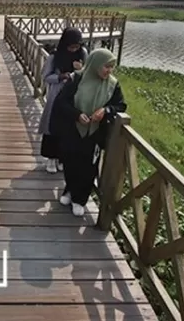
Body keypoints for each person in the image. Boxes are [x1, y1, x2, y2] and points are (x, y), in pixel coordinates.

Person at [51, 48, 127, 217]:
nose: (109, 71)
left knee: (88, 167)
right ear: (95, 65)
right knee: (70, 162)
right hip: (73, 130)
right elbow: (61, 102)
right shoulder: (78, 79)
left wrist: (106, 110)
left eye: (112, 67)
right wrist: (77, 115)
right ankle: (69, 190)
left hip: (95, 133)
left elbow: (120, 105)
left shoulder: (113, 84)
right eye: (106, 67)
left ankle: (80, 199)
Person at [38, 28, 87, 174]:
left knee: (67, 129)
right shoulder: (54, 57)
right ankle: (51, 159)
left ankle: (61, 158)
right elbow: (45, 76)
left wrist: (81, 69)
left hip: (74, 97)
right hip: (57, 96)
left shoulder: (83, 54)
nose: (74, 49)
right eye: (71, 46)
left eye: (76, 46)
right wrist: (60, 77)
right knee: (53, 127)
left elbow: (88, 73)